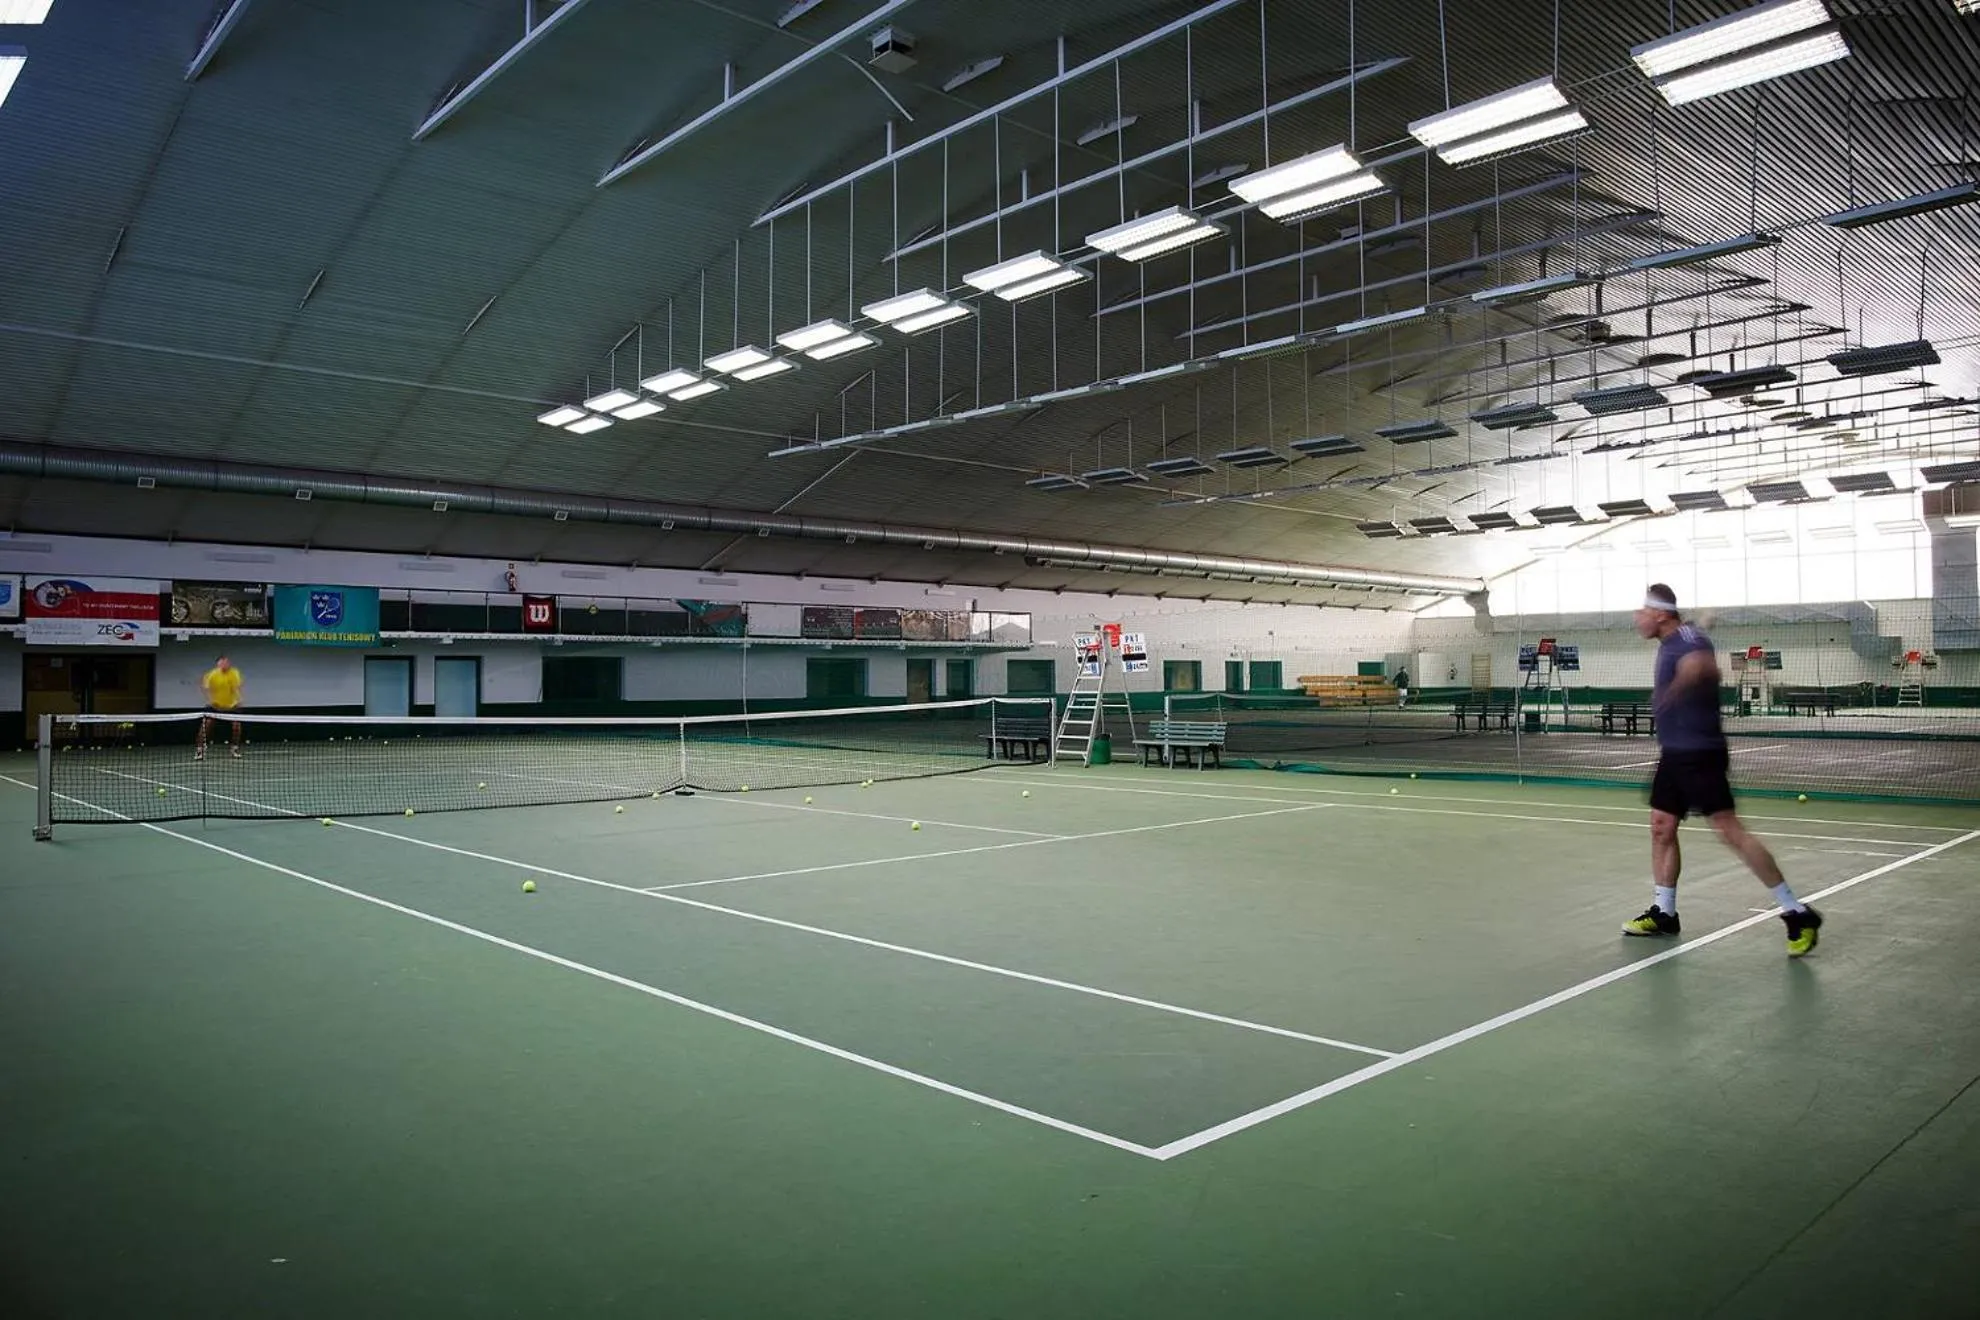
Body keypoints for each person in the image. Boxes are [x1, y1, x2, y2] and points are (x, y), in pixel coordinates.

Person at [1622, 585, 1821, 956]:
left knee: (1730, 832)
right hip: (1674, 754)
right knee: (1661, 826)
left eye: (1643, 611)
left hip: (1700, 753)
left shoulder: (1686, 639)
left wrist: (1673, 690)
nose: (1637, 617)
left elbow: (1703, 666)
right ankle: (1665, 913)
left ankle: (1797, 912)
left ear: (1661, 614)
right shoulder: (1679, 637)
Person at [195, 656, 244, 761]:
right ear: (218, 664)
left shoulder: (234, 673)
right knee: (206, 726)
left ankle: (234, 748)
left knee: (236, 727)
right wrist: (210, 701)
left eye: (226, 662)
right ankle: (200, 750)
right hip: (215, 706)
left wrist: (239, 699)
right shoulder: (212, 674)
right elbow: (204, 688)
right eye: (222, 663)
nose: (224, 665)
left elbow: (237, 687)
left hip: (231, 706)